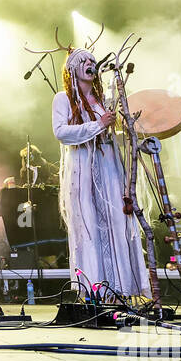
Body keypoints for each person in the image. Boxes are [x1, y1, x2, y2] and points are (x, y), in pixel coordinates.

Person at [52, 46, 151, 300]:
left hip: (108, 167)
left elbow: (109, 132)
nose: (89, 63)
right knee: (88, 225)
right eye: (83, 60)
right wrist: (98, 124)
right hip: (83, 165)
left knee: (117, 221)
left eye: (92, 60)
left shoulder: (102, 100)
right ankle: (95, 291)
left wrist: (124, 127)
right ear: (73, 68)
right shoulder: (62, 99)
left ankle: (121, 289)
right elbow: (61, 132)